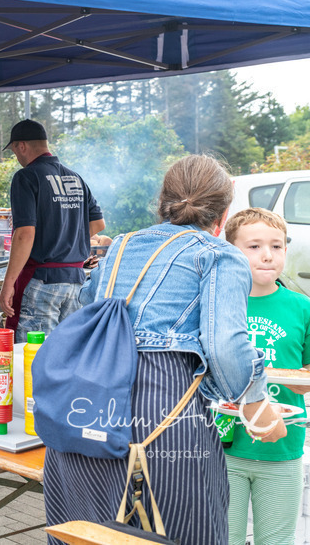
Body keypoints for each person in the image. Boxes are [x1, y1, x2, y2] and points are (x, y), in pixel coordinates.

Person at [44, 155, 286, 545]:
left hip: (81, 419)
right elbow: (225, 347)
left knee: (88, 536)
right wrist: (258, 408)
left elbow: (85, 316)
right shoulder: (219, 255)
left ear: (163, 203)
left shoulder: (119, 248)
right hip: (160, 427)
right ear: (223, 215)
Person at [222, 208, 310, 545]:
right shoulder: (219, 305)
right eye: (254, 246)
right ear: (231, 252)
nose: (268, 255)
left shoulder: (302, 307)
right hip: (225, 447)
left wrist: (295, 378)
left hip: (283, 447)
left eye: (277, 246)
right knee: (220, 536)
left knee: (277, 540)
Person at [0, 119, 104, 342]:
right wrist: (66, 241)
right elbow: (98, 224)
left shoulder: (26, 177)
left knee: (34, 358)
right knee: (65, 354)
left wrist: (8, 284)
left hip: (41, 283)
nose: (16, 157)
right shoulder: (76, 178)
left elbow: (24, 234)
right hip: (75, 283)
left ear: (22, 146)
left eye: (14, 150)